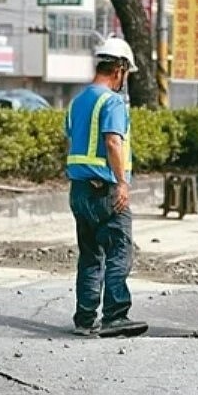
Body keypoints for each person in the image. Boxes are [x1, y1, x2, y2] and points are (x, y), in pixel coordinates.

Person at [64, 38, 145, 337]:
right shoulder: (111, 102)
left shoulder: (77, 101)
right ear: (120, 68)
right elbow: (112, 141)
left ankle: (85, 319)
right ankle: (115, 315)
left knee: (90, 256)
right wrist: (122, 182)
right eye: (127, 73)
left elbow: (74, 139)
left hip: (80, 191)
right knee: (119, 251)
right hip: (105, 190)